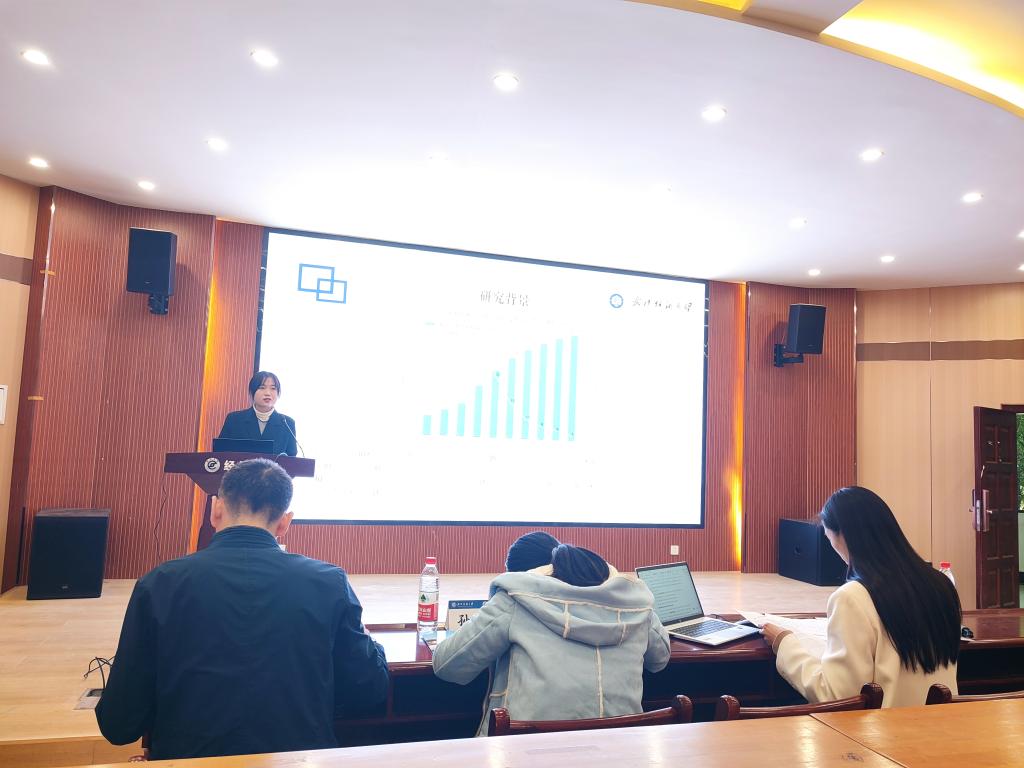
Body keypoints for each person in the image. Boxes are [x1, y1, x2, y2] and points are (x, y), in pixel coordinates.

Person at [96, 459, 389, 759]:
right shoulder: (329, 582)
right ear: (285, 523)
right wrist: (371, 644)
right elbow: (369, 691)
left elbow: (118, 725)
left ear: (216, 509)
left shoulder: (159, 584)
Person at [433, 543, 671, 735]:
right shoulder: (636, 606)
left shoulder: (515, 600)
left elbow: (447, 665)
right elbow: (660, 660)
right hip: (622, 754)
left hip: (525, 754)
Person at [763, 486, 961, 708]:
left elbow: (837, 696)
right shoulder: (942, 584)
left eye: (828, 538)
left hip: (885, 729)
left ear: (842, 534)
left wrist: (785, 644)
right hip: (944, 725)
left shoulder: (852, 598)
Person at [217, 371, 298, 456]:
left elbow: (291, 458)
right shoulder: (234, 419)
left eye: (273, 388)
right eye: (262, 388)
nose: (267, 393)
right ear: (252, 392)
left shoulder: (287, 423)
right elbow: (220, 453)